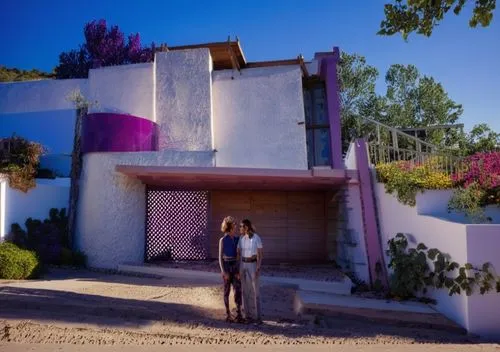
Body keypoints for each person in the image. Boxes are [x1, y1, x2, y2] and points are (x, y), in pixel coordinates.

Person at [237, 219, 263, 325]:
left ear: (246, 227)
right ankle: (247, 315)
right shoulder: (241, 239)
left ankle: (257, 317)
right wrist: (238, 268)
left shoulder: (256, 238)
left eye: (241, 226)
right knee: (244, 290)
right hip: (243, 264)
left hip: (252, 264)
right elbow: (238, 253)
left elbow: (260, 255)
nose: (240, 228)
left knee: (255, 290)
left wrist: (258, 267)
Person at [218, 216, 243, 323]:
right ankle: (228, 314)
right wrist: (224, 271)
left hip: (235, 265)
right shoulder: (223, 240)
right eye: (233, 224)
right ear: (229, 226)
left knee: (238, 290)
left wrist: (239, 270)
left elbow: (240, 256)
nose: (235, 225)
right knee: (226, 290)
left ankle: (239, 314)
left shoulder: (238, 239)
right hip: (226, 265)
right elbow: (220, 257)